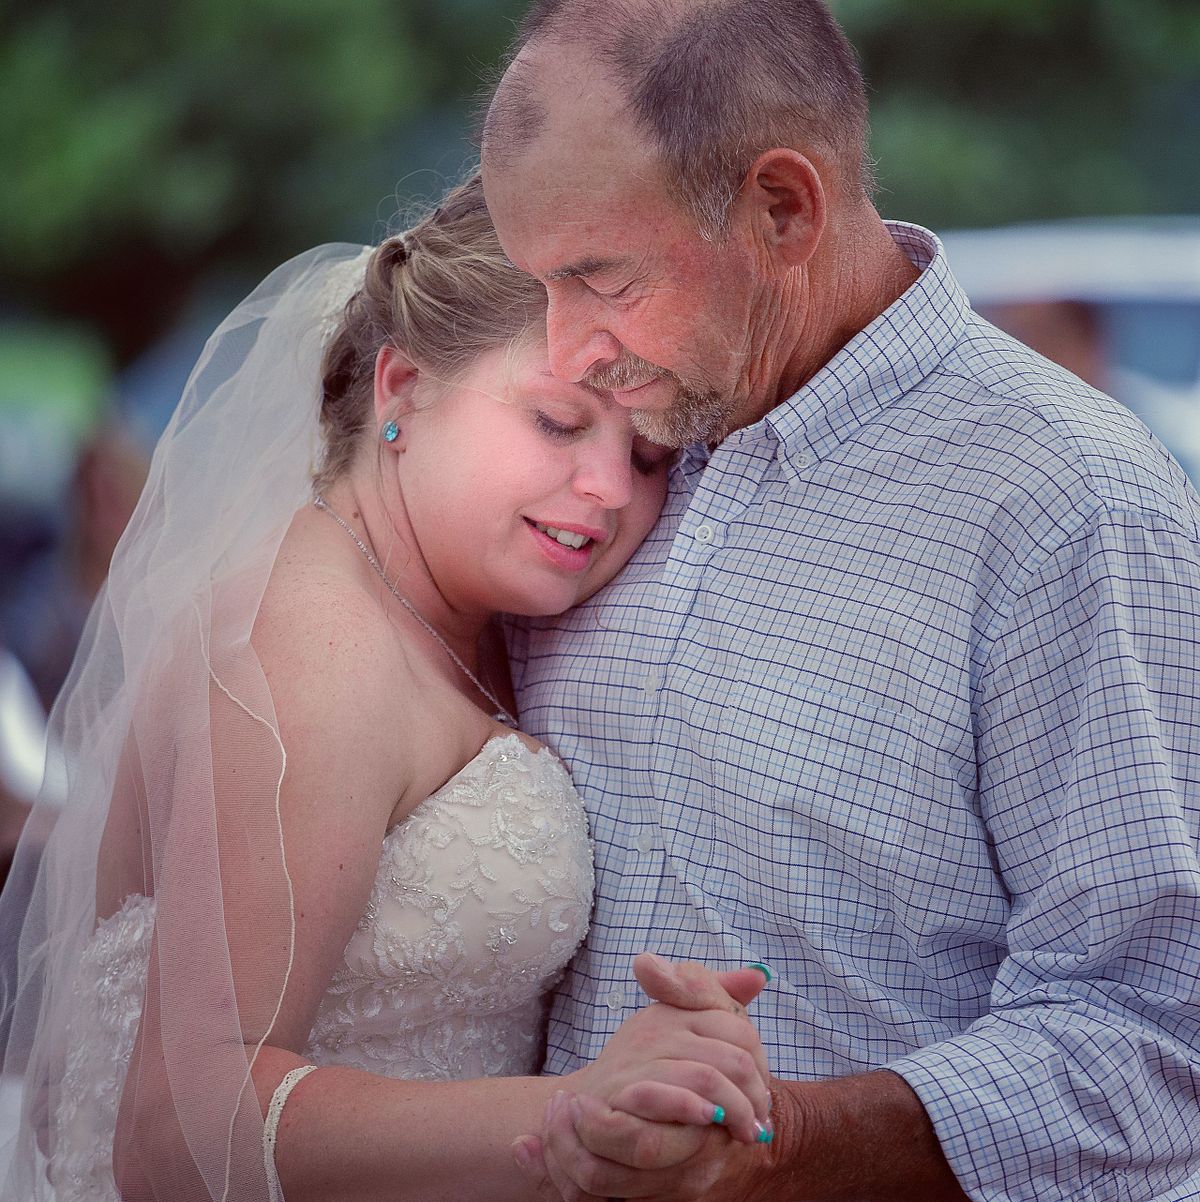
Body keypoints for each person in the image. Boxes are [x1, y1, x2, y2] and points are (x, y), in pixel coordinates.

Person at [479, 2, 1200, 1199]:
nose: (567, 352)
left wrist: (785, 1144)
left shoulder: (1070, 502)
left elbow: (1154, 1035)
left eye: (602, 278)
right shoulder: (590, 456)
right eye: (541, 285)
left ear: (783, 209)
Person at [0, 174, 776, 1202]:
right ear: (403, 386)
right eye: (559, 421)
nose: (608, 487)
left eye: (646, 453)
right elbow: (177, 1134)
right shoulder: (306, 645)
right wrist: (573, 1110)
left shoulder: (457, 610)